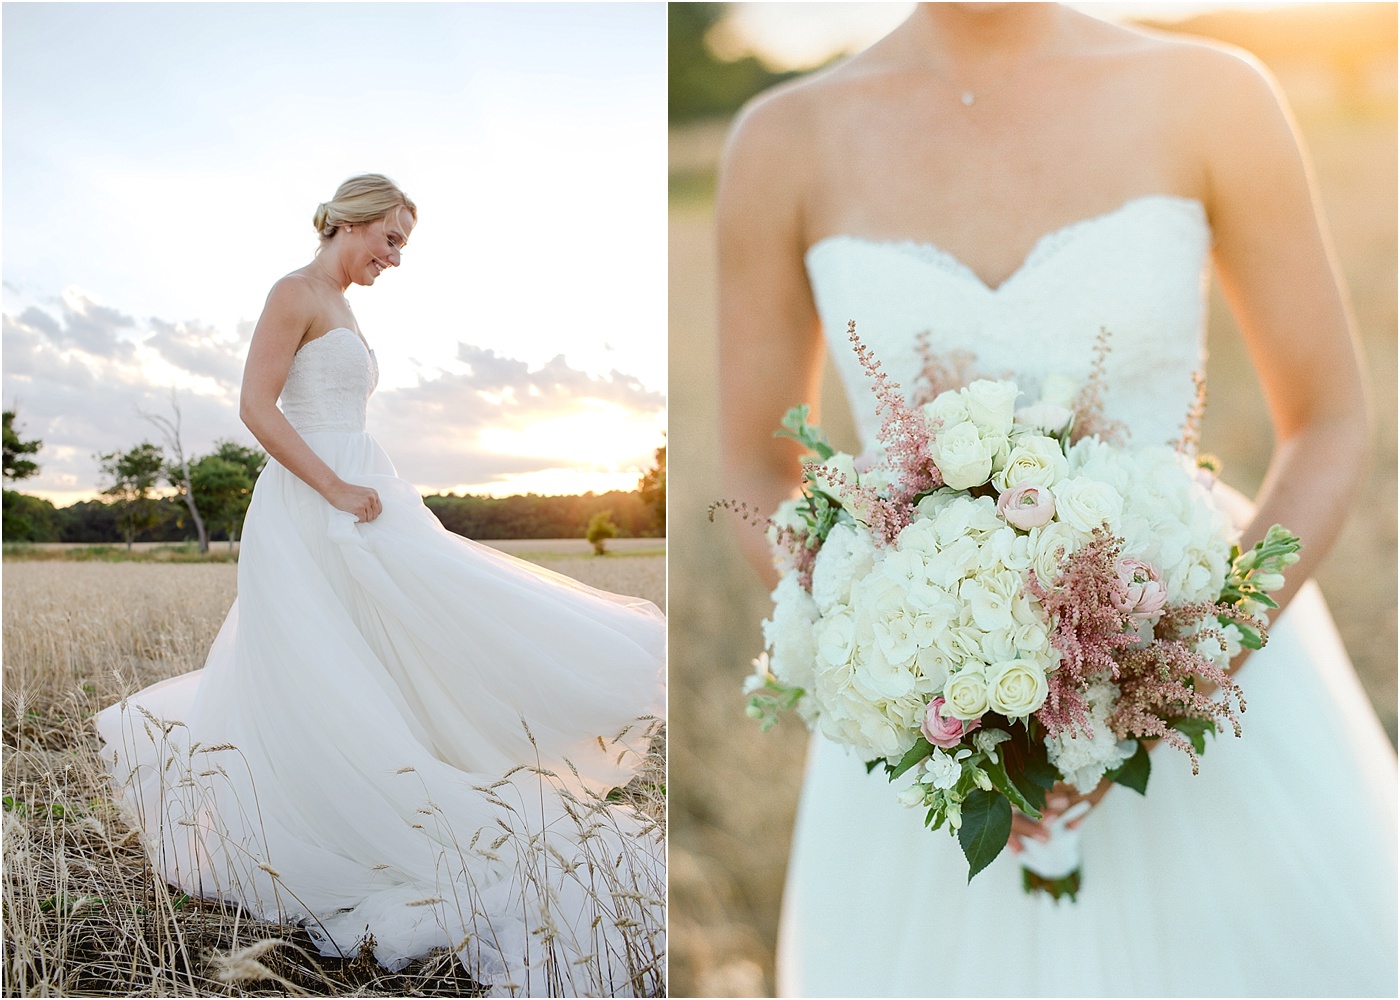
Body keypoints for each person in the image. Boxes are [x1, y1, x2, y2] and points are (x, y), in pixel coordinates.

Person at [716, 5, 1396, 996]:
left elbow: (1327, 417)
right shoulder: (780, 140)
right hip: (935, 748)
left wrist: (1192, 656)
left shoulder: (1215, 94)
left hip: (1206, 693)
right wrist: (921, 679)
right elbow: (751, 468)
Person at [96, 174, 666, 997]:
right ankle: (326, 819)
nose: (395, 258)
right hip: (309, 503)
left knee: (407, 637)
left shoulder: (349, 307)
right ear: (350, 220)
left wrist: (360, 487)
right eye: (390, 239)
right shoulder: (293, 292)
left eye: (403, 245)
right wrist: (331, 487)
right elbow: (258, 407)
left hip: (362, 490)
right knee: (316, 662)